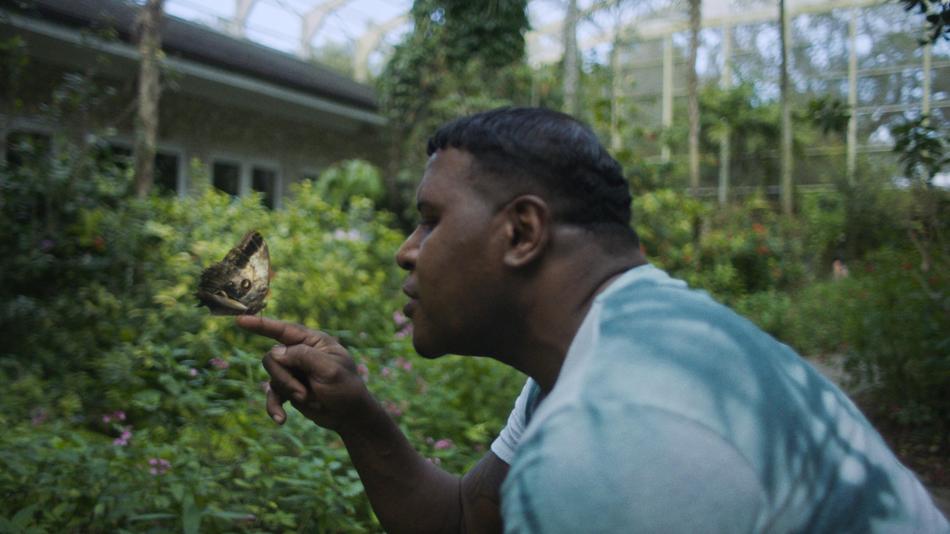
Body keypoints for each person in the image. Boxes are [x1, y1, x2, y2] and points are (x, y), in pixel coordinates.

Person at [237, 107, 948, 533]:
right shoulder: (627, 340)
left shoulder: (617, 435)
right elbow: (464, 523)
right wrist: (359, 416)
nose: (406, 252)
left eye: (429, 221)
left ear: (521, 233)